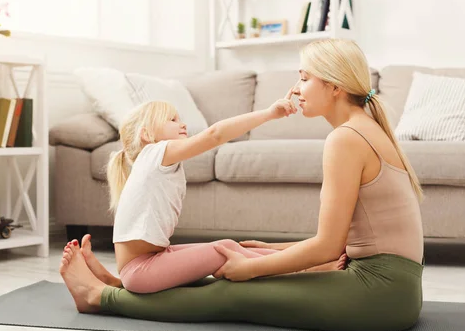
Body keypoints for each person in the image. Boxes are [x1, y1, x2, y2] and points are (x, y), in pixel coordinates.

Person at [59, 38, 425, 331]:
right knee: (233, 269)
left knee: (234, 291)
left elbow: (329, 248)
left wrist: (252, 268)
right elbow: (340, 244)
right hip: (392, 289)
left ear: (333, 86)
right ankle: (118, 287)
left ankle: (98, 297)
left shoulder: (346, 138)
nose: (297, 89)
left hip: (379, 294)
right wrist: (269, 249)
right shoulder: (365, 129)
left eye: (304, 78)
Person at [64, 90, 347, 296]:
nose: (182, 124)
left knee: (236, 248)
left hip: (148, 264)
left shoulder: (155, 162)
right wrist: (268, 114)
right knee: (223, 250)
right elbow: (215, 135)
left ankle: (307, 260)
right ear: (147, 136)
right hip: (142, 271)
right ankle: (307, 272)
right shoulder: (155, 152)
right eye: (173, 120)